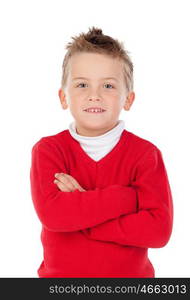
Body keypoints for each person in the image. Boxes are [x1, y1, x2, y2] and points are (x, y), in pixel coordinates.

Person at [30, 26, 173, 278]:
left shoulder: (145, 154)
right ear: (64, 97)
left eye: (108, 86)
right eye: (82, 84)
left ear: (127, 99)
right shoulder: (49, 150)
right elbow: (54, 216)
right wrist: (127, 198)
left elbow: (158, 231)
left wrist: (82, 209)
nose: (94, 95)